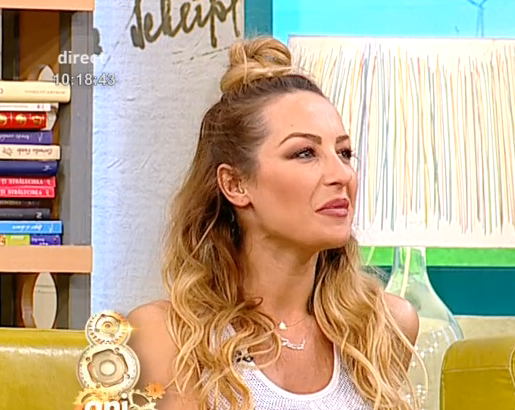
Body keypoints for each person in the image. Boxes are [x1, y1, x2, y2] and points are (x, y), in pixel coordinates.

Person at [127, 36, 420, 410]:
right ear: (236, 184)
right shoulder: (167, 336)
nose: (342, 174)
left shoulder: (384, 327)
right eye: (305, 153)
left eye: (345, 153)